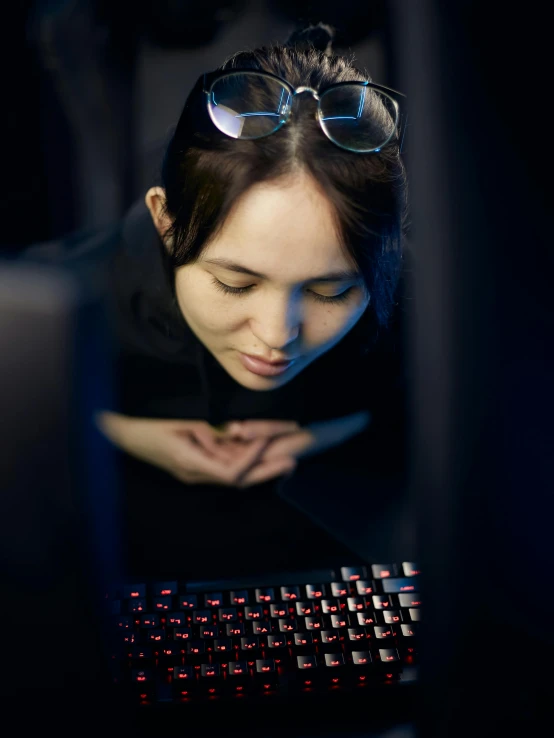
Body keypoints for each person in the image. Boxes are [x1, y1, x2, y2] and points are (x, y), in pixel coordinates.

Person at [18, 23, 412, 581]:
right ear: (164, 222)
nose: (279, 335)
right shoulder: (61, 297)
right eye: (235, 283)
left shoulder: (439, 306)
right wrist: (114, 430)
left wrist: (330, 431)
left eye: (332, 291)